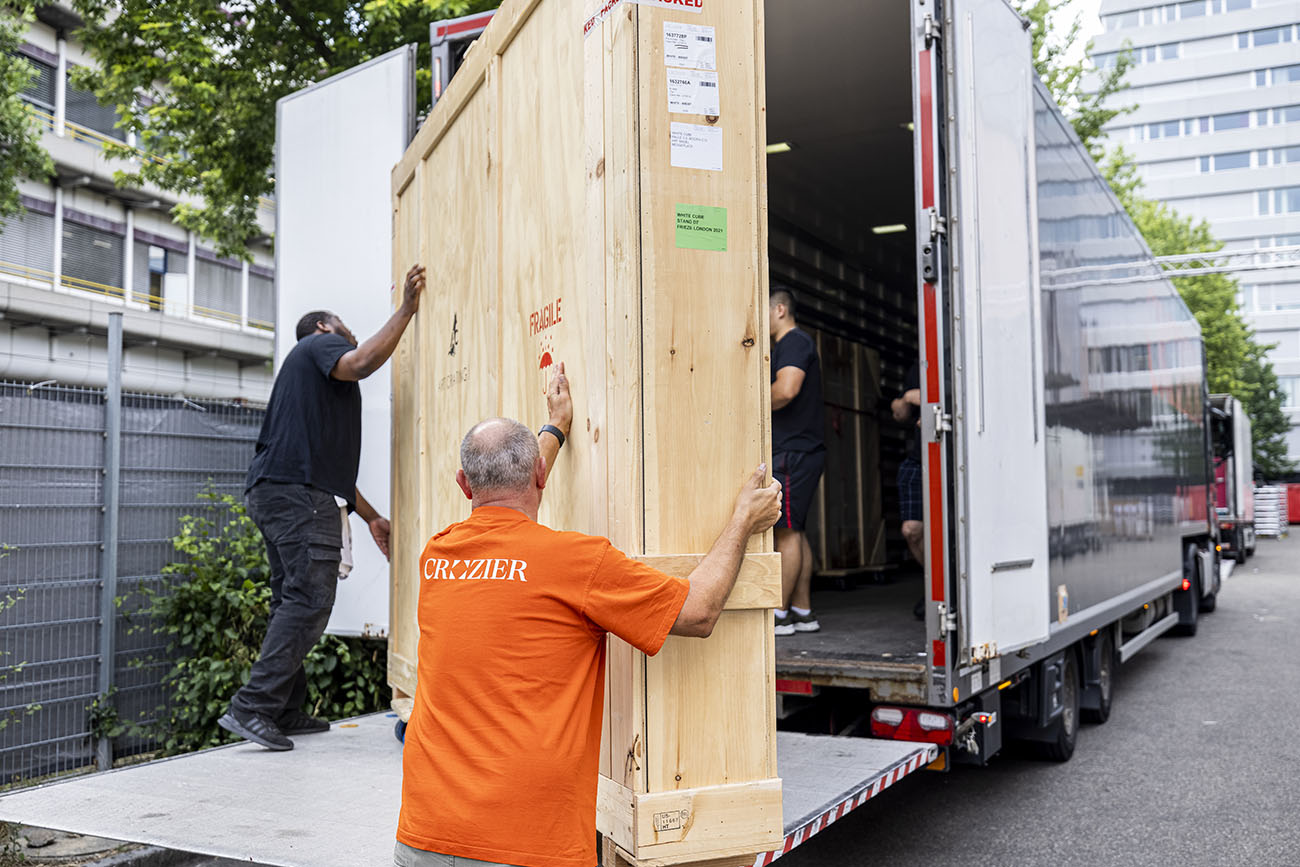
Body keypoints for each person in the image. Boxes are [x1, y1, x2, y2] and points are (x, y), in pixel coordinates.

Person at [394, 367, 782, 867]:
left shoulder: (439, 555)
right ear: (538, 473)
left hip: (424, 835)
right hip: (529, 848)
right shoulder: (578, 564)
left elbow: (509, 514)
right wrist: (743, 519)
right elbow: (698, 611)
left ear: (463, 484)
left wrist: (554, 430)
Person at [218, 264, 427, 751]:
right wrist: (407, 310)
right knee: (311, 599)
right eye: (344, 326)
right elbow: (360, 363)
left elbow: (328, 471)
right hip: (294, 494)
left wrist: (372, 516)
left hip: (278, 490)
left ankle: (284, 709)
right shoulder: (317, 346)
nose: (350, 333)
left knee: (290, 599)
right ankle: (253, 706)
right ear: (323, 327)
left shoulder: (309, 380)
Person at [768, 287, 826, 636]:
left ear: (779, 310)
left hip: (793, 451)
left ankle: (779, 612)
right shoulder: (794, 343)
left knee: (784, 530)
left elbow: (786, 389)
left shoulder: (793, 342)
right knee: (795, 528)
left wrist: (749, 403)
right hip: (801, 449)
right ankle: (803, 611)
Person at [891, 361, 926, 620]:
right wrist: (902, 402)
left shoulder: (961, 355)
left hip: (954, 461)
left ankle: (954, 591)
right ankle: (938, 586)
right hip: (918, 460)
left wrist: (929, 400)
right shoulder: (918, 366)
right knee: (911, 530)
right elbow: (901, 415)